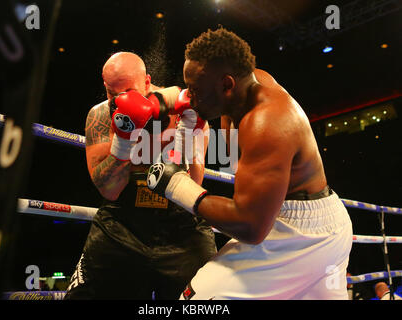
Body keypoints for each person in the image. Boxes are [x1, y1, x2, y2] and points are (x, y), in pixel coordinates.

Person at [146, 27, 353, 299]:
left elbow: (251, 227)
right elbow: (235, 154)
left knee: (197, 299)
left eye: (195, 90)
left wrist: (176, 186)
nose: (190, 96)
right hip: (319, 224)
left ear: (227, 85)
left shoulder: (267, 123)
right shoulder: (247, 86)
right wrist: (173, 100)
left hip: (294, 233)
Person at [64, 52, 217, 299]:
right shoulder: (100, 116)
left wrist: (187, 134)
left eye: (127, 91)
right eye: (112, 93)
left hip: (180, 227)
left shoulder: (183, 108)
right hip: (121, 224)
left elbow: (195, 183)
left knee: (205, 301)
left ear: (147, 82)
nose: (119, 100)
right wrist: (124, 142)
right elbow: (108, 190)